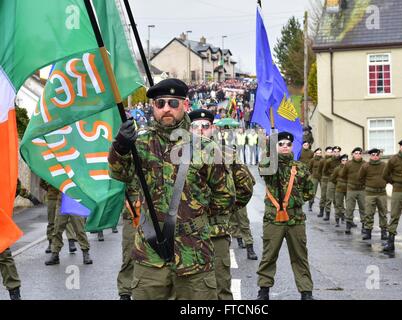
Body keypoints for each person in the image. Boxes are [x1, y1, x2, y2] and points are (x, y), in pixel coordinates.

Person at [108, 78, 235, 300]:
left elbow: (225, 195)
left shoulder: (206, 148)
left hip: (194, 252)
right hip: (150, 253)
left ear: (185, 106)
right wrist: (119, 147)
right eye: (160, 103)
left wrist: (195, 215)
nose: (166, 108)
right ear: (153, 107)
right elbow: (120, 174)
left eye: (173, 103)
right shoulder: (140, 144)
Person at [189, 108, 255, 299]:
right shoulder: (177, 156)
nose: (200, 130)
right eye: (195, 126)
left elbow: (245, 187)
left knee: (220, 287)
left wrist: (225, 210)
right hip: (184, 235)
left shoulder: (226, 154)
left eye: (205, 126)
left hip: (214, 231)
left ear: (213, 129)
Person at [257, 132, 314, 300]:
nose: (284, 146)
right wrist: (271, 150)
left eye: (288, 144)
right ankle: (264, 291)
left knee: (300, 256)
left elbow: (309, 191)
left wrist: (294, 202)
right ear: (275, 147)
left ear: (292, 147)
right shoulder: (270, 165)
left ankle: (306, 292)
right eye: (280, 144)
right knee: (269, 255)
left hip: (295, 219)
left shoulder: (300, 167)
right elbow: (264, 168)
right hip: (273, 219)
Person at [44, 193, 93, 266]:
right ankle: (55, 254)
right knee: (57, 230)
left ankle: (85, 252)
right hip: (62, 202)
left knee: (80, 230)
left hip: (76, 202)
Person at [40, 180, 78, 254]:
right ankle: (51, 243)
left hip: (65, 197)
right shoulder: (47, 169)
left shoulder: (66, 168)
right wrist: (50, 190)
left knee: (67, 220)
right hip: (52, 197)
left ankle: (71, 242)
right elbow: (42, 182)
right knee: (51, 222)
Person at [358, 148, 388, 241]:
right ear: (370, 156)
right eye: (373, 155)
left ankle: (384, 232)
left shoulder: (384, 165)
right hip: (370, 193)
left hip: (382, 193)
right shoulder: (365, 166)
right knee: (369, 213)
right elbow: (360, 178)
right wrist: (368, 185)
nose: (375, 157)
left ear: (379, 156)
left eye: (377, 155)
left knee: (383, 213)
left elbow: (388, 175)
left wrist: (383, 183)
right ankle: (368, 232)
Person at [341, 147, 366, 235]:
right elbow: (343, 175)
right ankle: (348, 224)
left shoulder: (365, 164)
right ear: (352, 154)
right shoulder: (348, 164)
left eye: (359, 153)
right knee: (349, 207)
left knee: (363, 208)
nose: (358, 155)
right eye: (356, 153)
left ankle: (364, 225)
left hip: (362, 189)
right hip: (351, 189)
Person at [322, 146, 341, 221]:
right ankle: (327, 214)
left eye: (337, 151)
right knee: (329, 198)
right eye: (335, 151)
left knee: (338, 200)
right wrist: (332, 174)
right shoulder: (328, 161)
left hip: (340, 182)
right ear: (333, 152)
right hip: (331, 181)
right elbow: (324, 171)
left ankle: (339, 215)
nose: (336, 153)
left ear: (339, 152)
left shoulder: (342, 160)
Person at [331, 154, 348, 227]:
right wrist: (338, 182)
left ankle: (345, 218)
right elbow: (332, 179)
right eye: (343, 160)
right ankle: (337, 220)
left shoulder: (350, 168)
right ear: (341, 161)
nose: (345, 162)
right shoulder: (337, 169)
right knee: (338, 205)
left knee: (349, 205)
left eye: (346, 160)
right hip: (339, 189)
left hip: (348, 189)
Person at [317, 146, 333, 217]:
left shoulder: (334, 160)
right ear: (326, 152)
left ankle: (328, 213)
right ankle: (321, 211)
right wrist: (322, 178)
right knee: (323, 196)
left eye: (331, 152)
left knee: (329, 197)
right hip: (324, 179)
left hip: (332, 180)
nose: (329, 153)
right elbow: (319, 171)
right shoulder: (322, 161)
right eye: (328, 151)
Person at [308, 148, 322, 213]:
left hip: (322, 177)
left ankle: (322, 207)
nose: (319, 154)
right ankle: (310, 204)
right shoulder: (312, 160)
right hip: (314, 177)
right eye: (318, 153)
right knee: (313, 191)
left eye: (320, 153)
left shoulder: (323, 159)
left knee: (324, 193)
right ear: (315, 153)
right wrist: (312, 175)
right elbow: (309, 168)